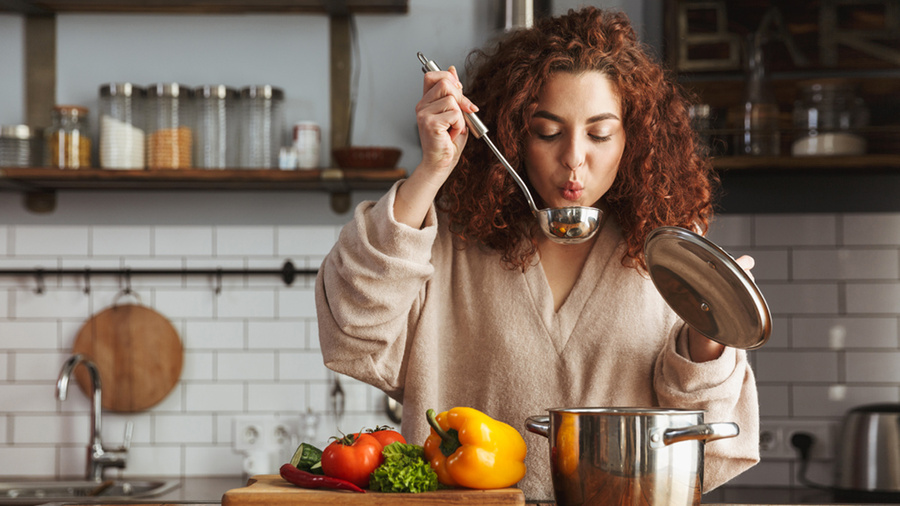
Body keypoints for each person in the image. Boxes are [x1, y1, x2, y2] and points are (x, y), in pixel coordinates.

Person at [315, 6, 759, 500]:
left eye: (599, 133)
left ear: (632, 139)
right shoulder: (447, 241)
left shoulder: (671, 252)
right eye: (547, 131)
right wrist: (432, 170)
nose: (574, 157)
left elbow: (706, 433)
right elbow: (353, 329)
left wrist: (710, 333)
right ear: (513, 135)